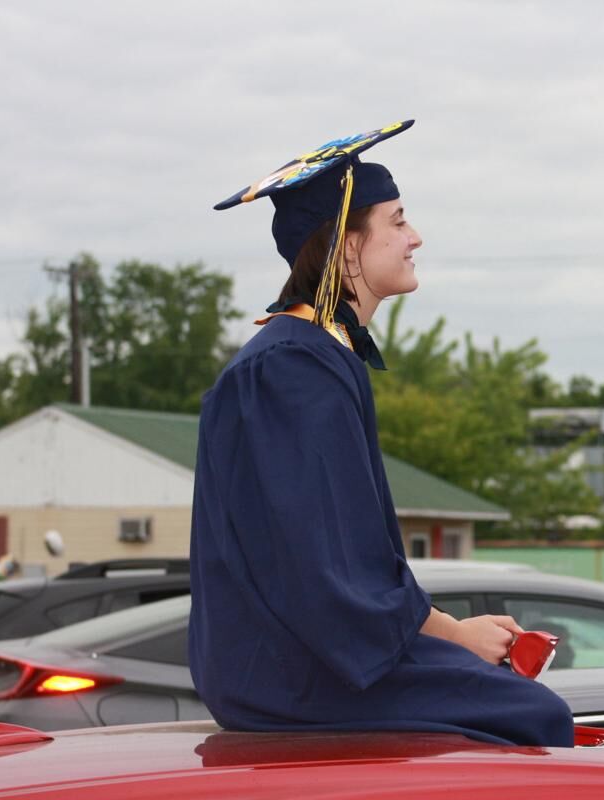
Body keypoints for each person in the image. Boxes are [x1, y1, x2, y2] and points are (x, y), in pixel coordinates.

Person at [189, 120, 574, 747]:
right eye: (396, 221)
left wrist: (450, 629)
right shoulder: (290, 370)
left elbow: (349, 560)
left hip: (308, 658)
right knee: (533, 716)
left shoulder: (317, 353)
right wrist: (453, 635)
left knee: (514, 695)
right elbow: (324, 568)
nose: (415, 236)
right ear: (345, 249)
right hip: (292, 671)